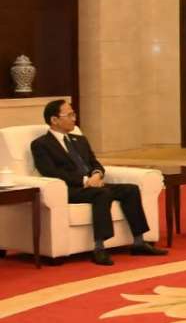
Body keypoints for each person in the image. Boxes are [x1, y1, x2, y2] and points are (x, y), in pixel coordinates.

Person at [30, 99, 167, 265]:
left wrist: (96, 174)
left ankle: (139, 242)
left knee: (130, 189)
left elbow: (95, 163)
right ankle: (99, 248)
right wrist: (85, 181)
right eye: (70, 115)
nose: (74, 119)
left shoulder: (79, 140)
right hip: (69, 189)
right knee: (102, 193)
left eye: (74, 114)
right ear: (54, 120)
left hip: (94, 185)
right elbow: (51, 172)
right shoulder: (41, 145)